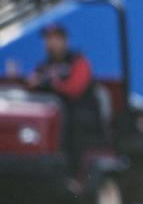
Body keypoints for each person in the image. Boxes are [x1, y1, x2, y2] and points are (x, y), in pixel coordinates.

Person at [27, 23, 102, 173]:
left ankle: (73, 173)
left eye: (55, 38)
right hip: (53, 115)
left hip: (79, 114)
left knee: (73, 124)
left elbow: (74, 89)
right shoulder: (42, 66)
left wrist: (52, 84)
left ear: (64, 41)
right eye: (47, 39)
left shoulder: (78, 62)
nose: (51, 43)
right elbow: (32, 85)